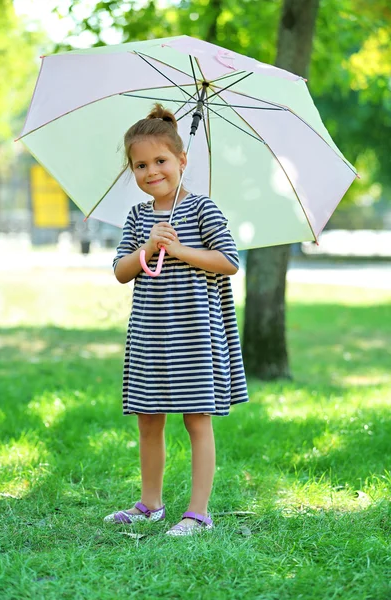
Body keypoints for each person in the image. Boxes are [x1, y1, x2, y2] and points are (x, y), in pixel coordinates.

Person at [104, 103, 249, 536]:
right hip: (152, 335)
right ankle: (150, 504)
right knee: (149, 418)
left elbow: (228, 261)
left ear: (181, 161)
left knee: (195, 419)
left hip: (195, 337)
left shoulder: (203, 210)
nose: (152, 171)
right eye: (141, 164)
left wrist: (181, 249)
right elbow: (120, 271)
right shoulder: (137, 218)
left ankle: (198, 513)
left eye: (161, 161)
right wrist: (147, 247)